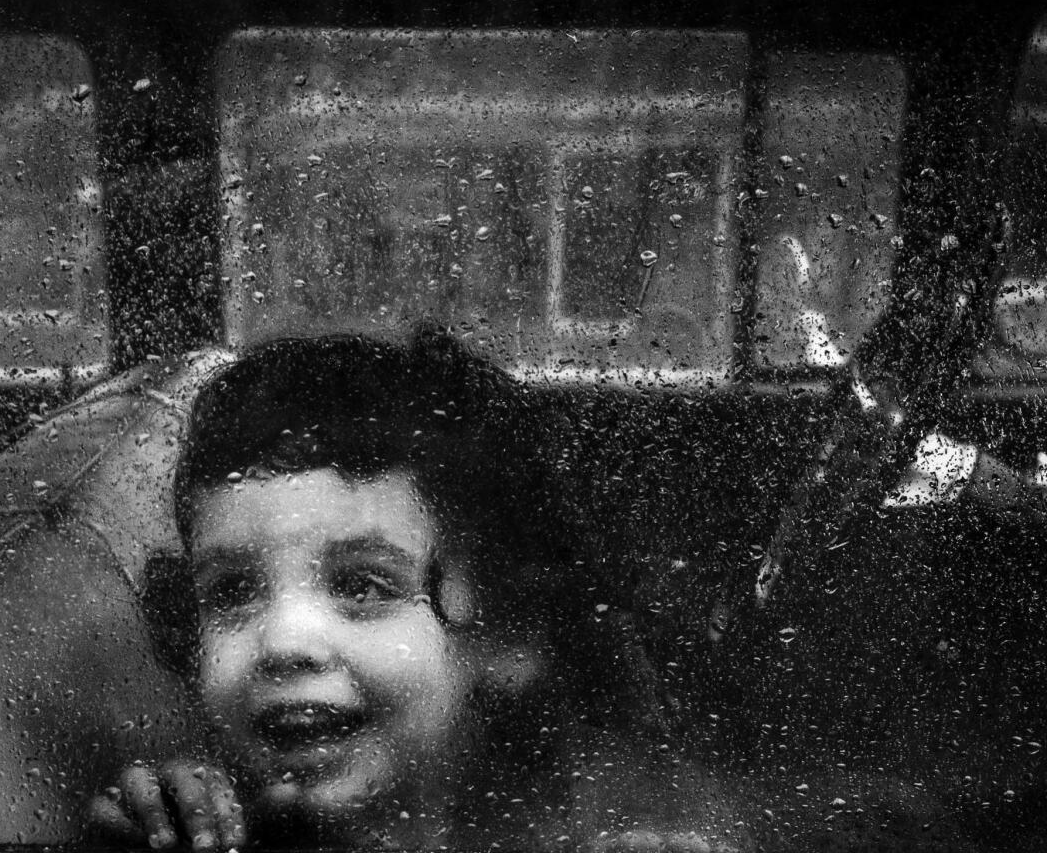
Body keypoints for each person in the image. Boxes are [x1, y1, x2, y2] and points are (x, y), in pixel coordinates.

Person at [84, 331, 751, 852]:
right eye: (231, 592)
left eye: (362, 585)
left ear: (505, 635)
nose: (283, 641)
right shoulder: (229, 818)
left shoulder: (609, 815)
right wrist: (166, 818)